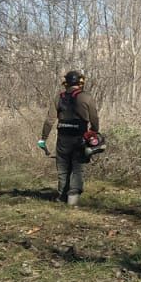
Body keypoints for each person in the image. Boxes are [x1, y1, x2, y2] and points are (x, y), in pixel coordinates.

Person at [38, 70, 100, 205]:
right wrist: (94, 132)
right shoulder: (86, 97)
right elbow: (94, 118)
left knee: (63, 168)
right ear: (81, 82)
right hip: (80, 138)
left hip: (63, 138)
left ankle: (61, 197)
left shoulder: (58, 98)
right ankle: (73, 197)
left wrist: (43, 138)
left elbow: (49, 120)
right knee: (77, 168)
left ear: (66, 82)